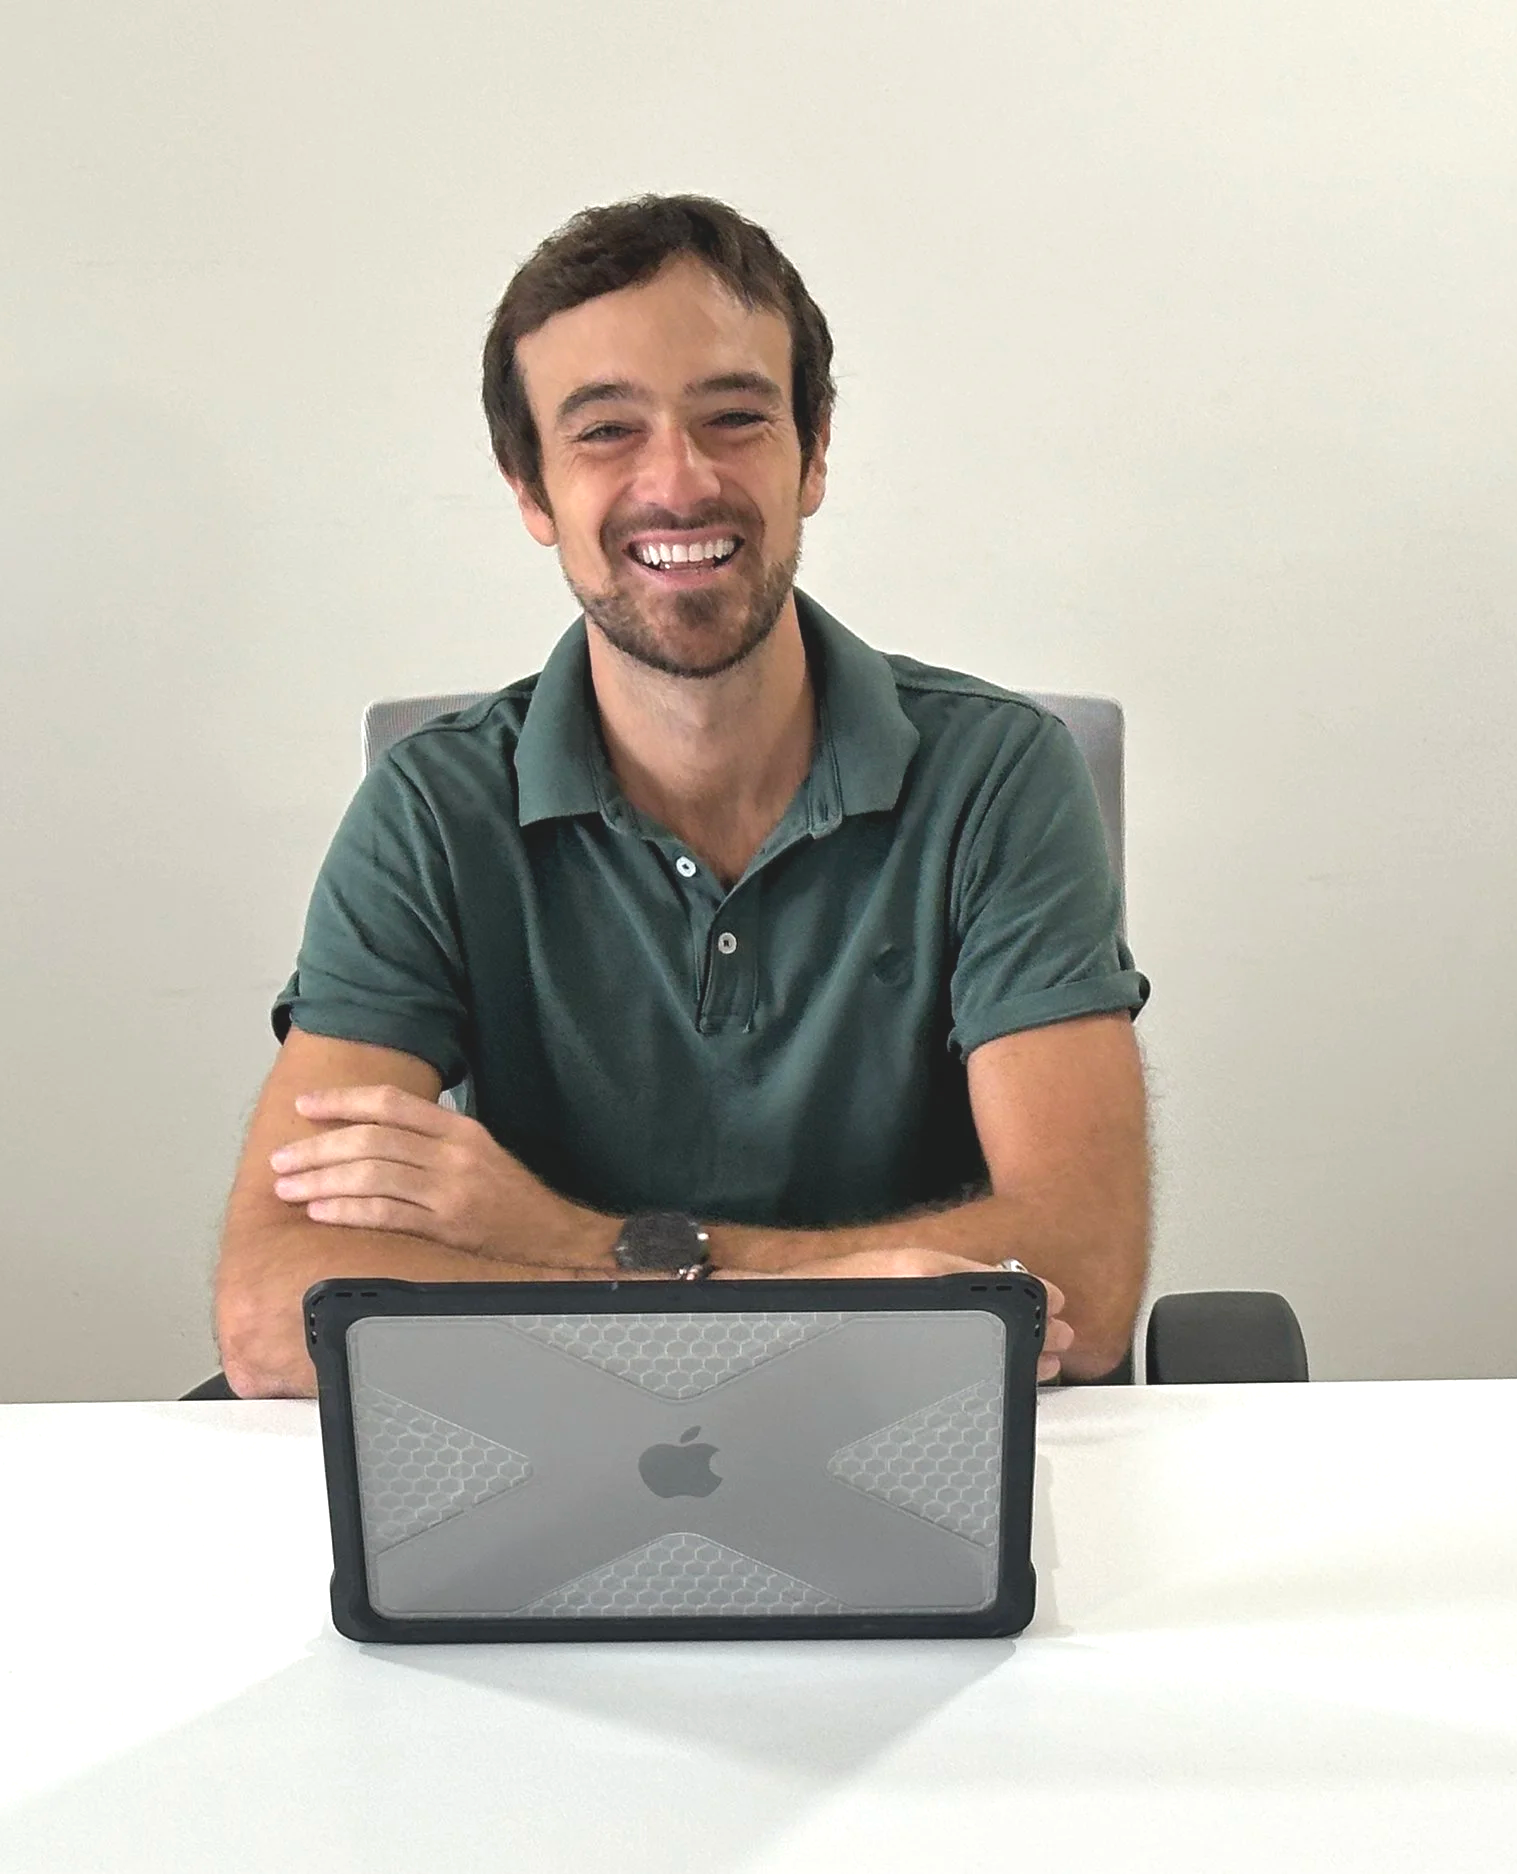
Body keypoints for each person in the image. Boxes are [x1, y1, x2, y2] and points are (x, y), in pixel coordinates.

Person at [212, 196, 1150, 1397]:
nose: (679, 480)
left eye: (735, 417)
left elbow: (1086, 1276)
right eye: (604, 430)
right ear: (531, 492)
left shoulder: (999, 777)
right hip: (551, 1443)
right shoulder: (430, 811)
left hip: (912, 1431)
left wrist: (568, 1244)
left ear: (812, 453)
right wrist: (839, 1298)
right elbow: (266, 1309)